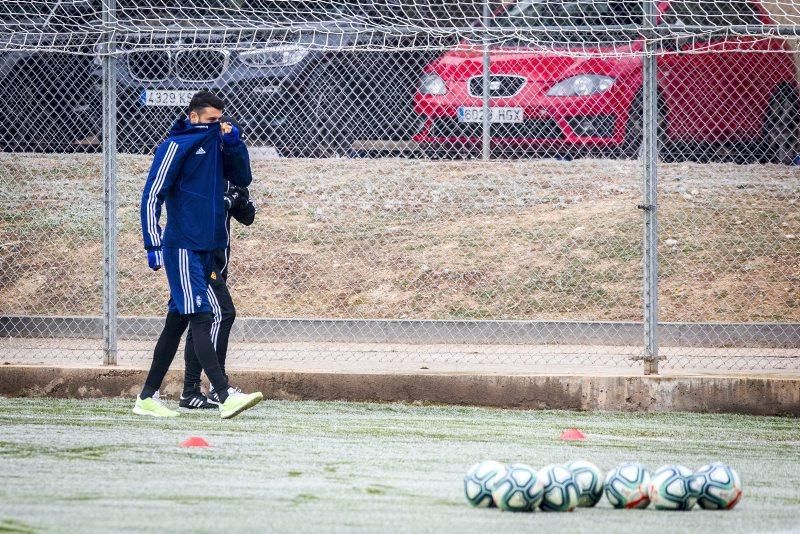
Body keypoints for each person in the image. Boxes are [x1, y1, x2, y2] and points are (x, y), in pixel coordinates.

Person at [133, 90, 262, 419]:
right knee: (203, 316)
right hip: (183, 248)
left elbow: (243, 178)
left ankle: (147, 397)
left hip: (209, 249)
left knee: (176, 323)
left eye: (220, 120)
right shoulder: (173, 146)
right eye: (210, 121)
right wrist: (154, 243)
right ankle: (222, 394)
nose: (216, 126)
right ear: (193, 117)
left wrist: (234, 143)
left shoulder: (220, 143)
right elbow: (152, 196)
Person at [179, 182, 256, 409]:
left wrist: (239, 198)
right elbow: (201, 210)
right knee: (224, 313)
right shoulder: (203, 171)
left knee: (199, 320)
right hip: (198, 258)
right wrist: (226, 200)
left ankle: (189, 391)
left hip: (219, 263)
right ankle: (218, 387)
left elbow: (248, 217)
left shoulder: (231, 178)